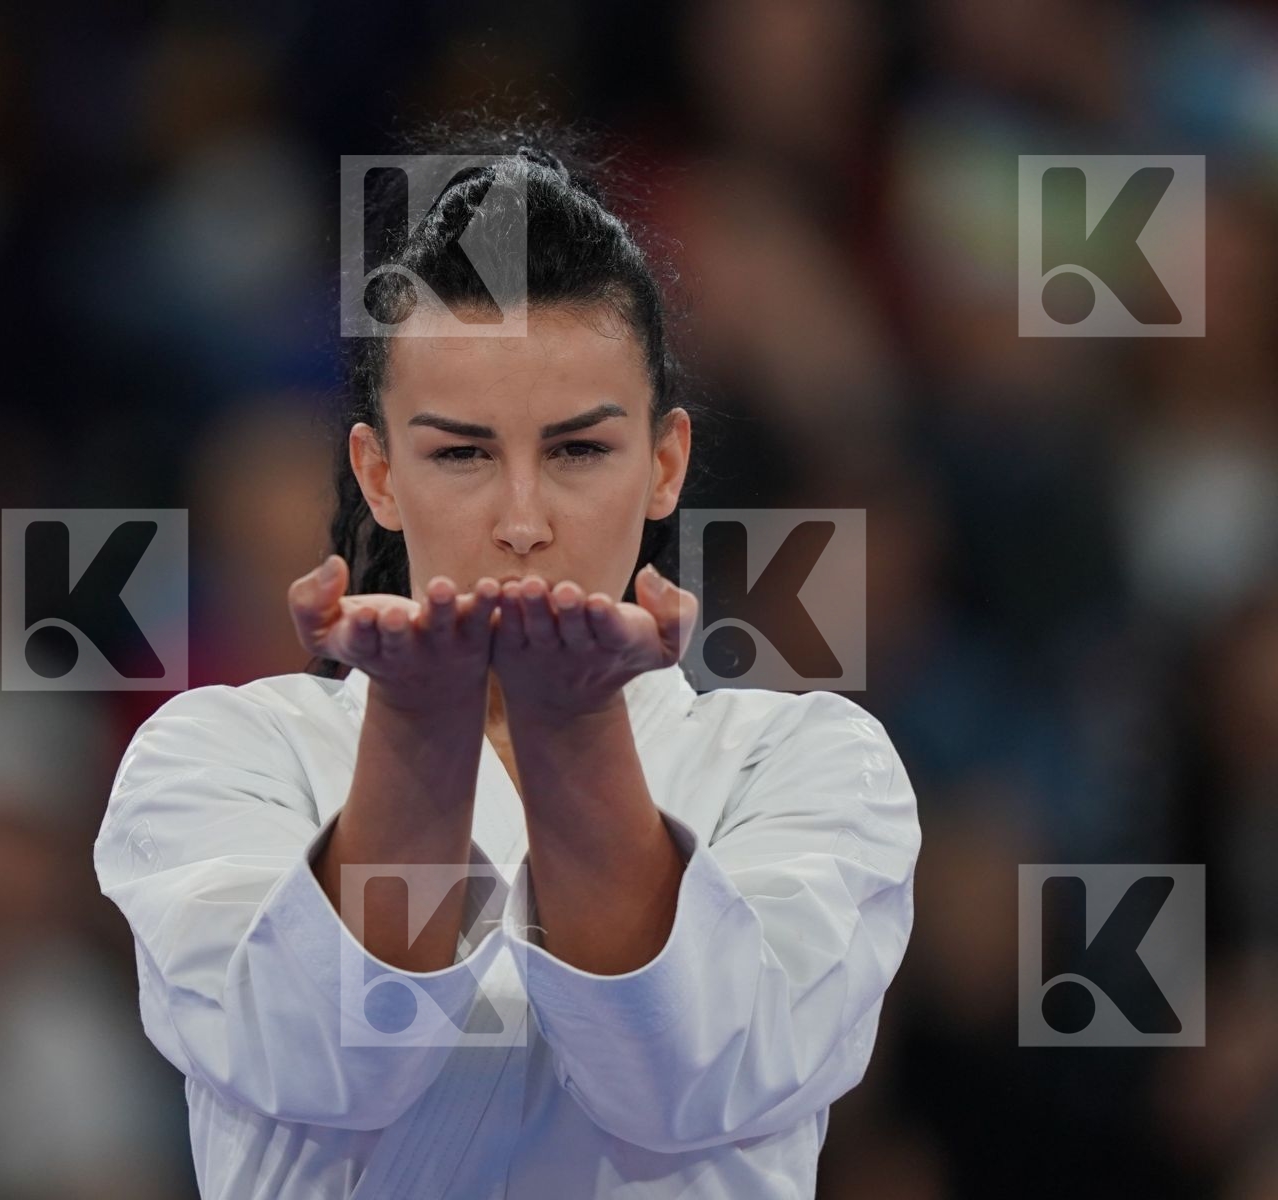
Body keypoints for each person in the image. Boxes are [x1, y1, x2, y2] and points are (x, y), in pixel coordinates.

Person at [94, 126, 921, 1199]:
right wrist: (416, 725)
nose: (523, 520)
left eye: (579, 450)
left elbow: (678, 1077)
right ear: (378, 474)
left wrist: (574, 727)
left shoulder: (810, 767)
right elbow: (330, 1060)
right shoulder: (218, 757)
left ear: (665, 463)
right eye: (461, 453)